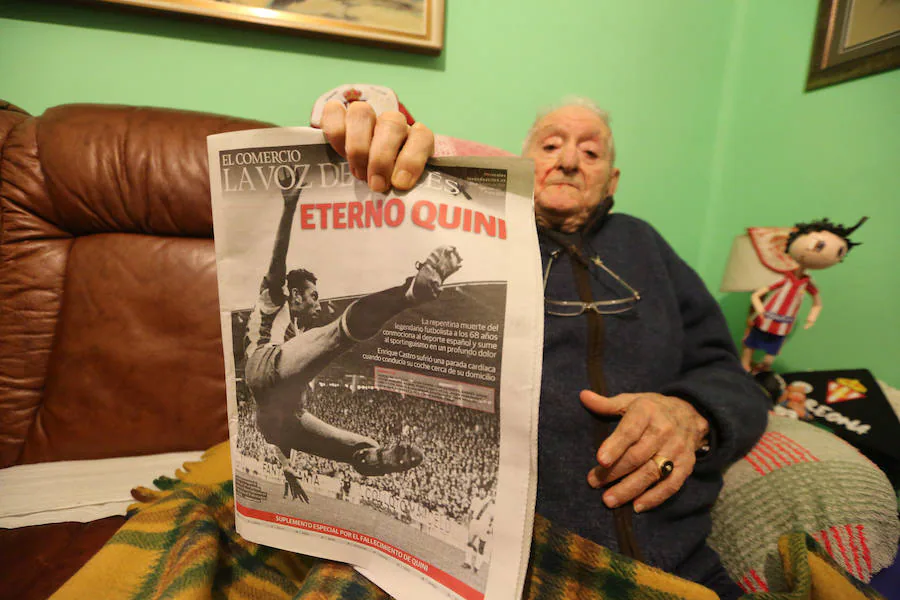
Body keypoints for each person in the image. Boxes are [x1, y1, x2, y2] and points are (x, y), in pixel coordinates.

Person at [317, 96, 769, 599]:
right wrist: (361, 109)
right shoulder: (471, 229)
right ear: (522, 162)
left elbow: (727, 371)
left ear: (612, 182)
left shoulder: (645, 245)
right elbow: (384, 172)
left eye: (591, 153)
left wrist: (692, 412)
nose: (570, 161)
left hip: (679, 567)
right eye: (551, 145)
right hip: (511, 564)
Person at [244, 169, 462, 501]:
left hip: (276, 419)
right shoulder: (274, 302)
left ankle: (376, 458)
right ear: (295, 295)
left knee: (360, 448)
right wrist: (289, 207)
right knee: (336, 335)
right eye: (313, 295)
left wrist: (287, 467)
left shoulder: (299, 337)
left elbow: (278, 415)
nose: (317, 301)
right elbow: (277, 266)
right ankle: (409, 292)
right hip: (262, 364)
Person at [741, 217, 866, 372]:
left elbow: (817, 303)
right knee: (751, 343)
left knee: (770, 354)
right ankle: (745, 365)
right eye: (818, 246)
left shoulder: (808, 284)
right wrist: (759, 308)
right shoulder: (784, 278)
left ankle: (761, 370)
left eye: (840, 253)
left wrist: (811, 318)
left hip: (784, 323)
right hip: (766, 318)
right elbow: (758, 294)